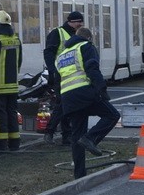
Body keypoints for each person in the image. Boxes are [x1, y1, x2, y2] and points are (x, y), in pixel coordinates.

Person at [58, 26, 121, 179]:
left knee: (76, 136)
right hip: (84, 92)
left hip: (68, 97)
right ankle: (91, 138)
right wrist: (102, 89)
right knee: (112, 115)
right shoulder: (86, 46)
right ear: (89, 38)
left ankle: (79, 174)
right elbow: (92, 68)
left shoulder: (63, 54)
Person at [41, 10, 84, 144]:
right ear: (71, 22)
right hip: (61, 75)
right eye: (79, 22)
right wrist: (52, 71)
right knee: (62, 105)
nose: (81, 24)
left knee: (67, 105)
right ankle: (51, 132)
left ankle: (66, 135)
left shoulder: (77, 34)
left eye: (81, 22)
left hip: (73, 75)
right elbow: (49, 53)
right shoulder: (57, 33)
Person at [0, 10, 22, 151]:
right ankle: (14, 143)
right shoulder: (16, 39)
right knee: (12, 113)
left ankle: (1, 144)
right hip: (13, 86)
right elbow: (19, 61)